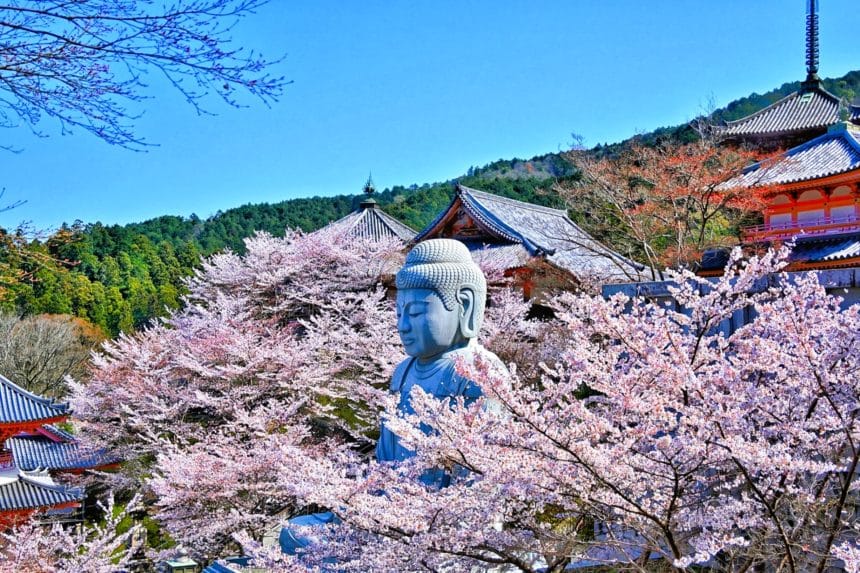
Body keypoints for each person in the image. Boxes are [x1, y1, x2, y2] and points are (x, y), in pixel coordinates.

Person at [281, 238, 505, 552]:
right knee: (294, 533)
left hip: (448, 528)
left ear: (465, 305)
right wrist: (364, 506)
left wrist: (440, 528)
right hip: (392, 514)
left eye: (415, 313)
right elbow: (386, 463)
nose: (402, 326)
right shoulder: (403, 372)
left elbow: (480, 485)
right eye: (399, 313)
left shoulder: (479, 371)